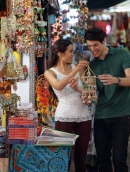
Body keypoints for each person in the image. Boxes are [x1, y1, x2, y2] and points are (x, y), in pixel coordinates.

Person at [84, 27, 130, 172]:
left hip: (121, 114)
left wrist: (115, 80)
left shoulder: (122, 54)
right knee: (102, 160)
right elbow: (93, 92)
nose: (92, 49)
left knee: (119, 159)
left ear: (104, 41)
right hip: (101, 116)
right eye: (89, 46)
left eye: (95, 45)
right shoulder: (92, 65)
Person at [44, 39, 92, 172]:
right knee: (63, 156)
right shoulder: (50, 72)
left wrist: (78, 89)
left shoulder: (79, 69)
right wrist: (76, 69)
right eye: (70, 51)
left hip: (84, 116)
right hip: (64, 117)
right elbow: (58, 85)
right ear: (60, 53)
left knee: (81, 157)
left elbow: (88, 91)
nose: (73, 54)